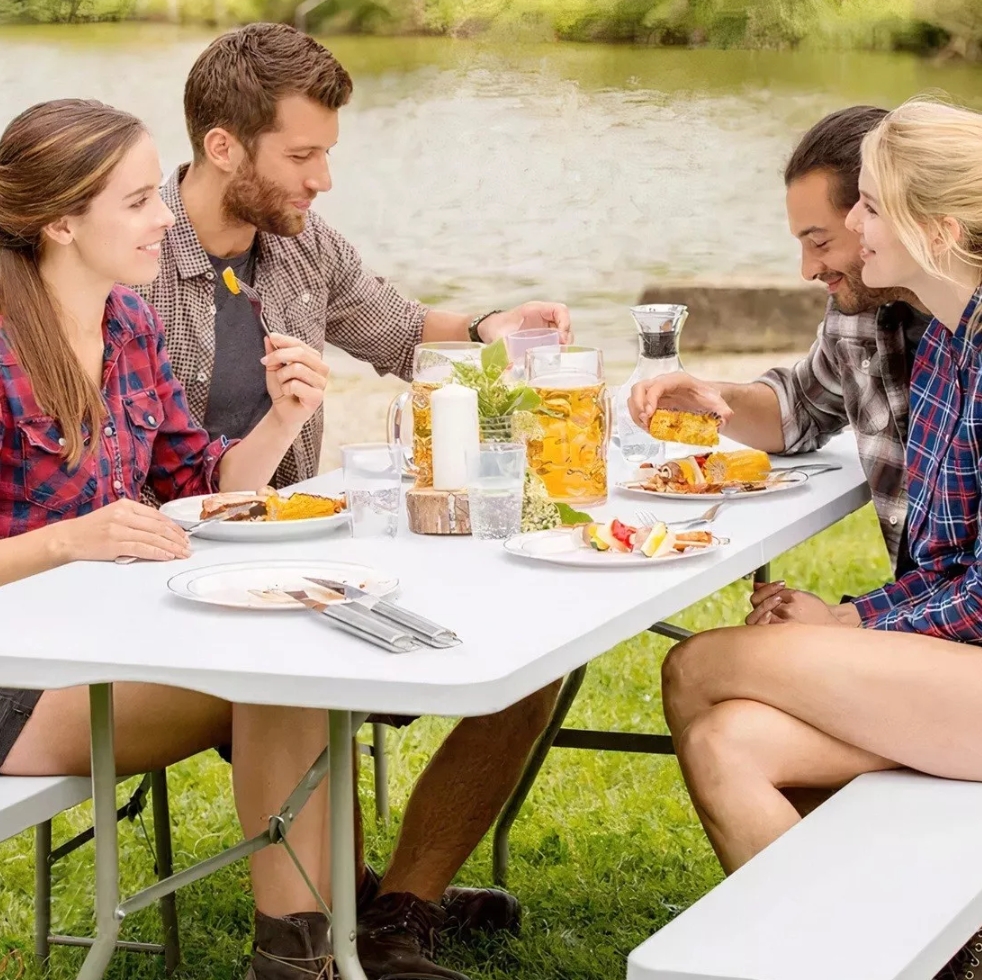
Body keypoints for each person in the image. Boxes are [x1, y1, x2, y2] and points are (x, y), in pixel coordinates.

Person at [136, 23, 562, 980]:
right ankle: (311, 935)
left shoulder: (301, 245)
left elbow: (405, 331)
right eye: (303, 154)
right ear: (223, 146)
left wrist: (494, 322)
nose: (322, 177)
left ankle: (397, 909)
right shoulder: (137, 259)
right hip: (173, 579)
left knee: (536, 638)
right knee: (292, 667)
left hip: (304, 558)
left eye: (327, 152)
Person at [0, 99, 342, 980]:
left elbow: (204, 488)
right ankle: (308, 948)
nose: (165, 216)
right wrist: (71, 541)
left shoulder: (130, 324)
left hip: (107, 644)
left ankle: (307, 940)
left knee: (285, 657)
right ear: (60, 223)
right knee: (278, 670)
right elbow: (74, 542)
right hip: (17, 682)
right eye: (137, 201)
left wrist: (280, 419)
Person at [659, 98, 982, 980]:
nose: (849, 231)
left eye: (866, 208)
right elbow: (953, 561)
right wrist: (860, 619)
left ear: (936, 227)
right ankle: (878, 953)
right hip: (958, 669)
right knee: (729, 741)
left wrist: (853, 627)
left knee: (698, 668)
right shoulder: (958, 338)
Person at [628, 105, 931, 577]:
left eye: (821, 242)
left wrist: (853, 618)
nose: (807, 270)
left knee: (707, 654)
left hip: (942, 620)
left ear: (883, 216)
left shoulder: (963, 336)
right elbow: (803, 410)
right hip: (921, 606)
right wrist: (710, 398)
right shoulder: (858, 314)